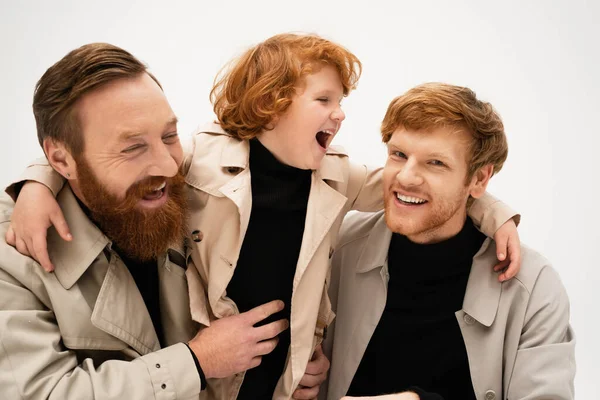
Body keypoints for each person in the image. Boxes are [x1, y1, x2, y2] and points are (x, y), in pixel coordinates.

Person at [5, 35, 521, 399]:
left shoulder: (330, 176)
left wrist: (493, 209)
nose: (166, 163)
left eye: (168, 135)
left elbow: (411, 184)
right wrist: (37, 184)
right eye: (323, 99)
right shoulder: (201, 164)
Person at [0, 43, 293, 400]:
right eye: (133, 148)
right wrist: (197, 362)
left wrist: (288, 373)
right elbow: (41, 393)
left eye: (169, 136)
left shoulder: (186, 196)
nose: (169, 167)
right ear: (61, 160)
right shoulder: (11, 257)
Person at [323, 83, 575, 400]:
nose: (406, 177)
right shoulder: (338, 248)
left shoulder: (534, 286)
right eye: (398, 155)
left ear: (479, 179)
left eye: (436, 163)